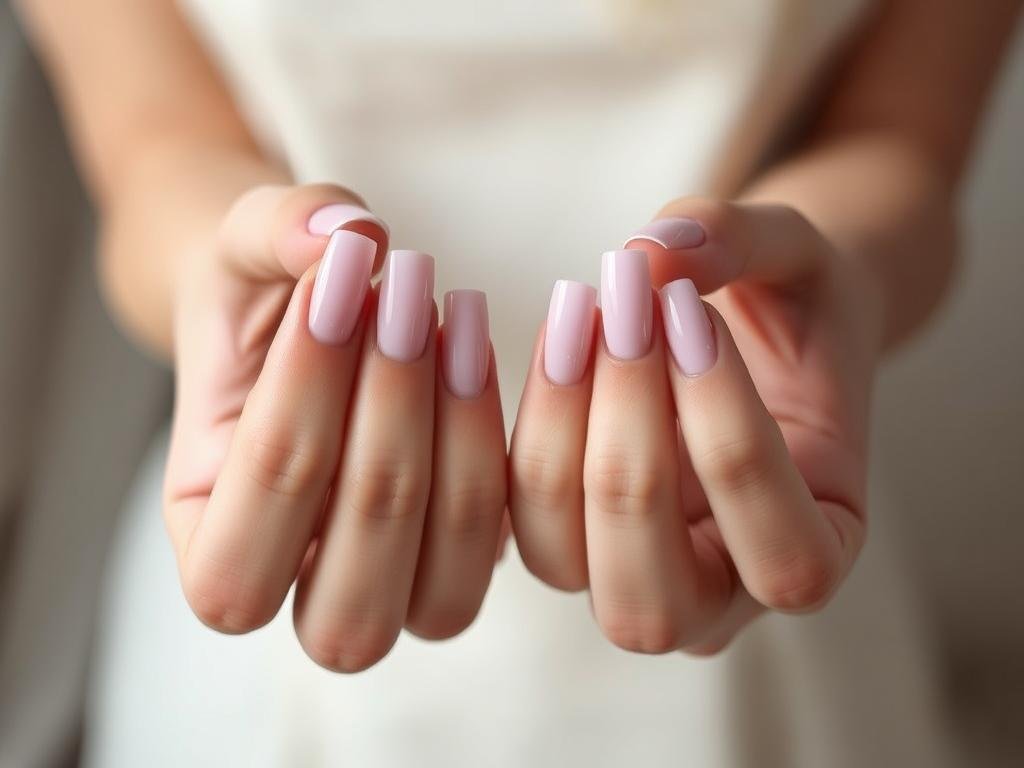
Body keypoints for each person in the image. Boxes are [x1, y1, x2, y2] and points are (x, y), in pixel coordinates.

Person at [15, 0, 1021, 765]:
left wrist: (827, 273)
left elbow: (900, 139)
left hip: (757, 506)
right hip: (280, 529)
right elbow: (155, 142)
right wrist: (218, 269)